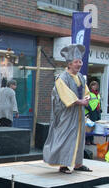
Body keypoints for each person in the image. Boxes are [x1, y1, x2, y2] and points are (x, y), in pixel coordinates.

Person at [43, 43, 92, 174]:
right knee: (66, 137)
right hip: (67, 115)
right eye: (77, 62)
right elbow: (65, 95)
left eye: (80, 61)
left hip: (79, 114)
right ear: (69, 64)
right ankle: (63, 164)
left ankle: (78, 163)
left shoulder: (80, 77)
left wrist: (87, 99)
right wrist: (79, 101)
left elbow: (86, 92)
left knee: (79, 138)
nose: (79, 64)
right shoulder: (62, 78)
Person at [85, 81, 102, 145]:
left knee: (94, 126)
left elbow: (99, 102)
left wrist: (100, 109)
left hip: (96, 111)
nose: (95, 87)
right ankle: (87, 140)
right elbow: (86, 102)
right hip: (91, 111)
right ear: (91, 86)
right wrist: (89, 109)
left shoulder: (98, 94)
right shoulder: (89, 93)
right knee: (89, 126)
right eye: (93, 85)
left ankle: (92, 140)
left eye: (96, 85)